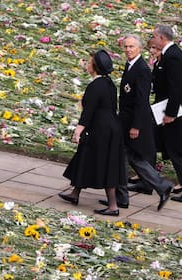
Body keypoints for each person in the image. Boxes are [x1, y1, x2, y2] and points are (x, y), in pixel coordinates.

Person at [58, 49, 127, 216]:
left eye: (89, 63)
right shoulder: (107, 83)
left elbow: (89, 111)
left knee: (104, 165)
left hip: (101, 130)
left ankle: (113, 206)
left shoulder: (95, 86)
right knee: (84, 157)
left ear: (94, 67)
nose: (87, 65)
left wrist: (79, 130)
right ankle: (75, 193)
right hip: (109, 127)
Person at [115, 34, 173, 211]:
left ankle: (122, 197)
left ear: (139, 48)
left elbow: (141, 100)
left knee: (125, 157)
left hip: (133, 122)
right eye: (126, 47)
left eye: (131, 47)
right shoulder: (131, 65)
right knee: (131, 157)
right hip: (126, 120)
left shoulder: (141, 70)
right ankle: (160, 187)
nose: (128, 50)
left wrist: (136, 126)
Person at [152, 24, 182, 203]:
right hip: (168, 107)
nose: (153, 40)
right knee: (171, 148)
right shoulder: (168, 55)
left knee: (178, 150)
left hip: (174, 110)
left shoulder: (173, 57)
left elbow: (177, 88)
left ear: (161, 38)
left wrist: (171, 113)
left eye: (154, 37)